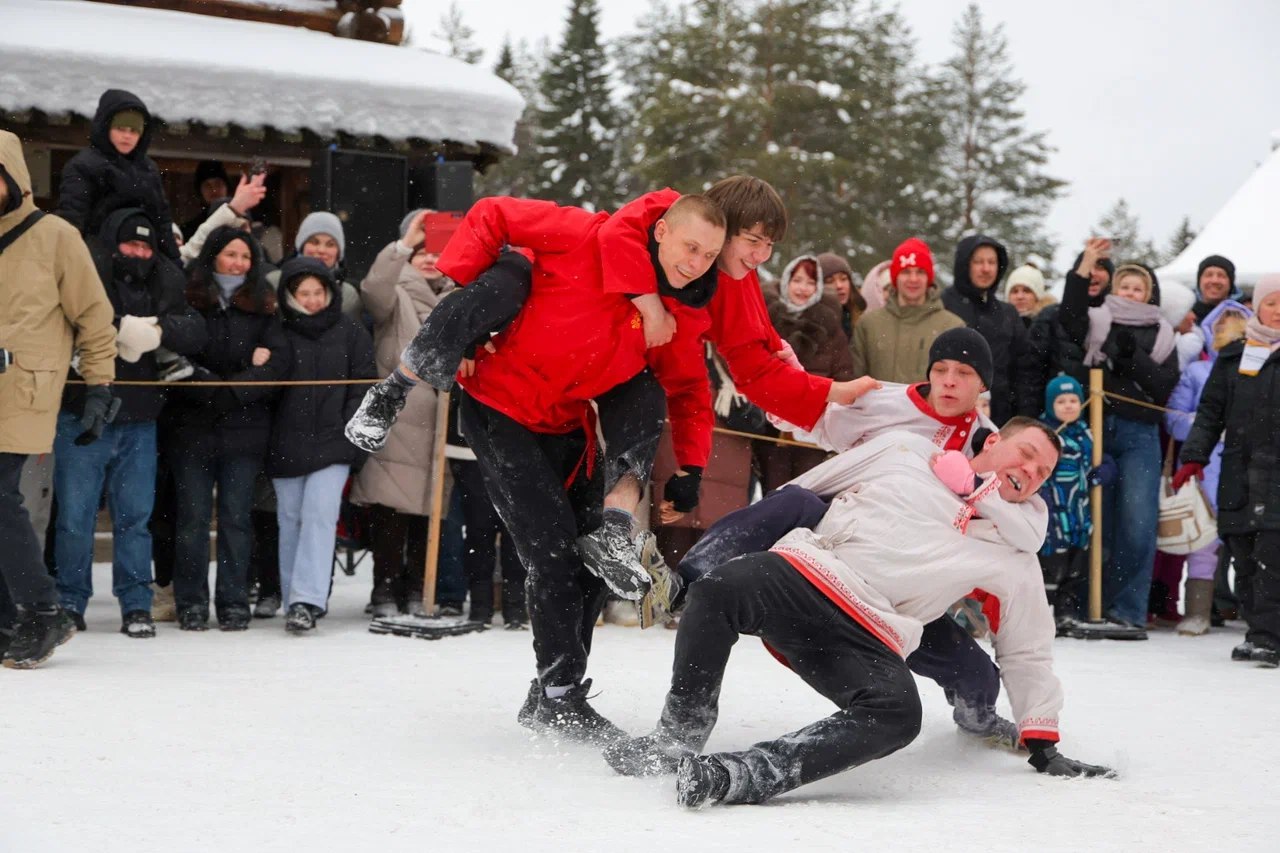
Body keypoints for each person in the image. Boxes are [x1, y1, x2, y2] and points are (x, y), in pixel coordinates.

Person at [604, 424, 1112, 808]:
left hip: (873, 634)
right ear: (995, 440)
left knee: (898, 716)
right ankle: (676, 736)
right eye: (1027, 453)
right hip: (804, 573)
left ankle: (747, 773)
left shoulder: (1016, 552)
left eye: (1044, 472)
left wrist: (1043, 740)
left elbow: (1027, 647)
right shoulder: (907, 451)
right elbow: (808, 488)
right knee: (717, 591)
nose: (1032, 471)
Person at [677, 328, 1046, 751]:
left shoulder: (995, 445)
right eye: (941, 369)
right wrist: (793, 380)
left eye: (963, 373)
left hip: (909, 585)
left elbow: (1011, 524)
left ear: (982, 385)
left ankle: (979, 718)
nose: (948, 381)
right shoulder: (882, 400)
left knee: (975, 672)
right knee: (795, 500)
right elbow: (812, 419)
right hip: (839, 537)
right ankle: (685, 579)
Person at [52, 208, 207, 638]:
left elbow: (196, 331)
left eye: (144, 246)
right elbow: (64, 320)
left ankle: (136, 604)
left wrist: (158, 330)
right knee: (75, 518)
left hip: (141, 419)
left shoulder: (165, 283)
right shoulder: (85, 275)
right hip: (82, 416)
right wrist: (118, 327)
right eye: (130, 244)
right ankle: (70, 600)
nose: (138, 253)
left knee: (135, 519)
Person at [0, 131, 118, 668]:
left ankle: (43, 611)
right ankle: (8, 616)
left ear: (12, 177)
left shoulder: (55, 236)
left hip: (25, 385)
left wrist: (99, 386)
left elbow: (94, 316)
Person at [164, 227, 287, 631]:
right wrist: (207, 385)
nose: (238, 263)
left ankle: (233, 601)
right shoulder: (188, 298)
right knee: (192, 520)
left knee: (236, 519)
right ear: (214, 255)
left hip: (244, 428)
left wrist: (235, 389)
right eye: (231, 254)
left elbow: (276, 364)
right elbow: (176, 355)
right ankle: (191, 601)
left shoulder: (265, 305)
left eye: (246, 257)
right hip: (192, 425)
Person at [1059, 243, 1178, 631]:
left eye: (1137, 288)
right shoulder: (1098, 320)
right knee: (1099, 521)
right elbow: (1069, 315)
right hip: (1097, 427)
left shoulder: (1163, 333)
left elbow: (1163, 387)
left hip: (1139, 434)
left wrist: (1132, 359)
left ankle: (1127, 610)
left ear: (1149, 294)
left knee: (1137, 523)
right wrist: (1085, 265)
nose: (1130, 293)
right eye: (1124, 286)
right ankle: (1090, 603)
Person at [348, 212, 450, 618]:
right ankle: (384, 591)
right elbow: (372, 290)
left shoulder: (457, 296)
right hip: (399, 417)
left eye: (437, 252)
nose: (430, 259)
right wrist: (405, 242)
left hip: (440, 423)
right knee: (388, 510)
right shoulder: (396, 291)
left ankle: (418, 590)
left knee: (427, 511)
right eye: (422, 252)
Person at [1176, 274, 1280, 667]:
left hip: (1277, 477)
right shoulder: (1234, 356)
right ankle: (1259, 631)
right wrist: (1194, 456)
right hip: (1239, 470)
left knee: (1273, 557)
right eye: (1271, 302)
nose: (1278, 311)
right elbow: (1210, 412)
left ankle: (1268, 637)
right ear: (1257, 307)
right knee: (1243, 556)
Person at [269, 257, 375, 633]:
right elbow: (266, 387)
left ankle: (307, 600)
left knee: (320, 516)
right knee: (290, 519)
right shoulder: (277, 331)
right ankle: (291, 598)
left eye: (319, 292)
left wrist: (348, 430)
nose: (312, 300)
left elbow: (363, 383)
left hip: (333, 442)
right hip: (285, 441)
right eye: (304, 293)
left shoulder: (351, 331)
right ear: (289, 295)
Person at [1164, 300, 1250, 636]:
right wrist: (1204, 426)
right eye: (1222, 326)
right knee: (1203, 541)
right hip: (1204, 468)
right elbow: (1173, 417)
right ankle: (1198, 610)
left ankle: (1255, 611)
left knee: (1251, 542)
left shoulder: (1258, 368)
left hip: (1246, 467)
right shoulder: (1197, 371)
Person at [758, 254, 854, 490]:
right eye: (797, 280)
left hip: (813, 425)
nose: (803, 288)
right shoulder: (764, 318)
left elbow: (843, 374)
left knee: (807, 489)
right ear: (786, 281)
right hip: (768, 426)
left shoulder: (830, 326)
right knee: (772, 488)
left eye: (810, 282)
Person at [56, 89, 179, 260]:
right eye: (120, 129)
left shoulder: (149, 170)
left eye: (134, 131)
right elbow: (72, 219)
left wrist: (173, 263)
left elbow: (162, 221)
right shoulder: (83, 166)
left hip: (143, 259)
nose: (127, 136)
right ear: (106, 127)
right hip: (96, 259)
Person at [1036, 375, 1113, 632]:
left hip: (1079, 511)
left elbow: (1102, 459)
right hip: (1053, 512)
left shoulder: (1087, 434)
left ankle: (1066, 611)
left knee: (1075, 564)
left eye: (1073, 400)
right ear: (1050, 405)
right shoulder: (1044, 434)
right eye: (1061, 401)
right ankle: (1042, 614)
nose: (1068, 406)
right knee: (1052, 565)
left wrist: (1105, 470)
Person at [942, 235, 1040, 423]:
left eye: (992, 262)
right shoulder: (943, 306)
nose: (986, 268)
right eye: (978, 262)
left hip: (999, 419)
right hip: (948, 417)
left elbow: (1025, 372)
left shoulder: (1007, 313)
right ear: (965, 265)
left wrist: (1024, 419)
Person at [849, 238, 963, 384]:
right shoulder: (869, 324)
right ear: (895, 277)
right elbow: (854, 381)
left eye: (920, 272)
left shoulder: (952, 327)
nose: (913, 279)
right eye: (906, 272)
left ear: (928, 278)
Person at [283, 212, 364, 326]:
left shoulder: (348, 295)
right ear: (301, 246)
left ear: (338, 253)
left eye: (330, 244)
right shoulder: (276, 283)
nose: (321, 250)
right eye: (314, 242)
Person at [816, 251, 865, 337]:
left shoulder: (862, 320)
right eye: (829, 281)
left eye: (843, 279)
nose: (839, 286)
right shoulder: (813, 324)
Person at [181, 160, 230, 241]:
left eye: (218, 184)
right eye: (207, 185)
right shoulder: (190, 229)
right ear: (200, 191)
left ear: (226, 187)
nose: (214, 190)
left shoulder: (239, 221)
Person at [1003, 263, 1055, 328]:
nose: (1020, 296)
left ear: (1038, 297)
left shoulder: (1051, 327)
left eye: (1026, 291)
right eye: (1015, 291)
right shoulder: (997, 324)